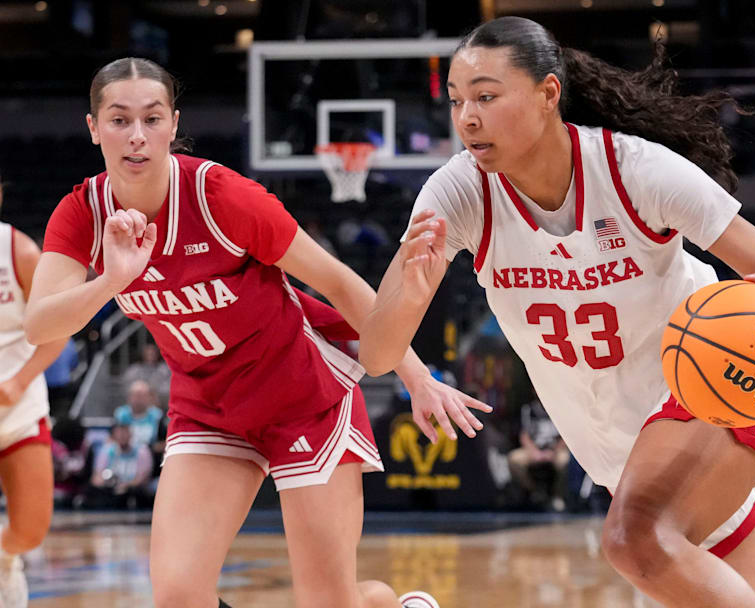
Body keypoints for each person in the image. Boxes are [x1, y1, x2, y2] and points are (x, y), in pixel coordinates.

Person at [378, 17, 755, 607]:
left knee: (635, 539)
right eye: (459, 100)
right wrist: (409, 297)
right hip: (613, 439)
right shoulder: (456, 193)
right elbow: (378, 352)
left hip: (710, 379)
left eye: (487, 97)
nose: (467, 117)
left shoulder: (637, 171)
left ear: (547, 94)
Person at [25, 58, 480, 608]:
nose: (137, 136)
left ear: (173, 123)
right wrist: (112, 280)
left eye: (151, 118)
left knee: (331, 603)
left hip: (304, 398)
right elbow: (41, 322)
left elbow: (337, 280)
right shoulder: (82, 214)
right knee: (177, 595)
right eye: (119, 120)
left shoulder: (221, 198)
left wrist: (416, 374)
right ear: (94, 128)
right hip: (209, 405)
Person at [0, 180, 69, 608]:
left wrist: (20, 380)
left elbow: (58, 327)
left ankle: (4, 558)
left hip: (18, 408)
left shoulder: (19, 251)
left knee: (32, 529)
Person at [507, 398, 570, 511]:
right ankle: (534, 491)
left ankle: (558, 495)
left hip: (555, 450)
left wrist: (553, 452)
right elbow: (524, 435)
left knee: (564, 461)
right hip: (533, 450)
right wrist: (535, 452)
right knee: (514, 459)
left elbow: (566, 436)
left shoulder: (560, 407)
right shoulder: (528, 409)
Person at [88, 418, 155, 509]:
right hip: (111, 488)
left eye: (125, 432)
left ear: (131, 434)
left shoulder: (142, 451)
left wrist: (126, 486)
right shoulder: (107, 450)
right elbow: (96, 477)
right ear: (114, 435)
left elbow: (144, 477)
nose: (122, 436)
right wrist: (106, 483)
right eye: (119, 433)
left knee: (140, 492)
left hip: (133, 489)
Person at [113, 379, 164, 450]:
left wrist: (146, 449)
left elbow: (163, 443)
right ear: (129, 397)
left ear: (149, 397)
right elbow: (111, 440)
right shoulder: (121, 415)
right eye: (136, 396)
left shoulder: (157, 416)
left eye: (142, 396)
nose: (138, 400)